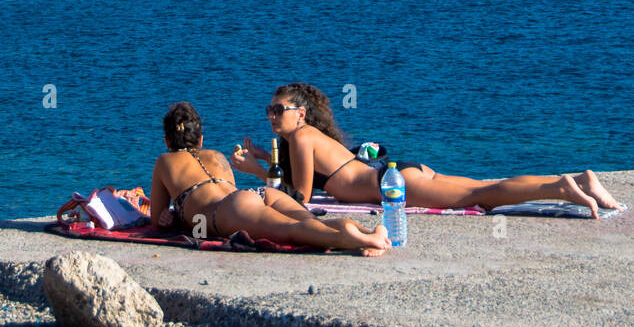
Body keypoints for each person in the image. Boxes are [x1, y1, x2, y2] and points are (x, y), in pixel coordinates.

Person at [231, 82, 624, 219]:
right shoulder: (308, 138)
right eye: (269, 110)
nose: (270, 116)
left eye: (277, 110)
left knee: (482, 196)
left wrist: (254, 174)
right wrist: (265, 162)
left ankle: (561, 187)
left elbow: (298, 198)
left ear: (299, 113)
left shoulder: (300, 137)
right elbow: (307, 183)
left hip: (392, 182)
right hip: (399, 173)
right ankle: (581, 180)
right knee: (485, 187)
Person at [149, 101, 390, 256]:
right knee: (310, 222)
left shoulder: (163, 161)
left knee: (293, 231)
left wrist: (168, 215)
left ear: (167, 141)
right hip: (256, 195)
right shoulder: (216, 155)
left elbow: (157, 221)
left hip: (229, 211)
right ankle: (369, 232)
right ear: (201, 140)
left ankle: (358, 241)